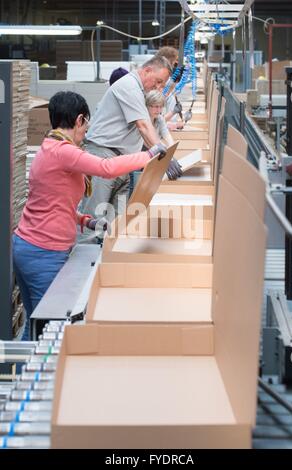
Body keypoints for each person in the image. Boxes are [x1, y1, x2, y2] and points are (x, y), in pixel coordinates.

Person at [13, 91, 163, 340]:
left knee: (35, 324)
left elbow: (52, 203)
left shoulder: (50, 147)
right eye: (86, 124)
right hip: (43, 252)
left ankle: (20, 371)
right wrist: (150, 154)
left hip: (29, 247)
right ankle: (40, 377)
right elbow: (106, 168)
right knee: (49, 327)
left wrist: (86, 220)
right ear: (79, 120)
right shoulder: (63, 151)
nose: (87, 131)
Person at [78, 55, 182, 238]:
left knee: (117, 224)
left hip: (122, 161)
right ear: (147, 70)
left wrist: (172, 83)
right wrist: (164, 157)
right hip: (103, 156)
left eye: (161, 84)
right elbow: (143, 125)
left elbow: (151, 116)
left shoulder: (140, 91)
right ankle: (83, 261)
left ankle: (109, 261)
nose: (158, 87)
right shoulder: (129, 86)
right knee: (93, 220)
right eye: (158, 82)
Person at [155, 46, 184, 129]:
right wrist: (174, 125)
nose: (174, 68)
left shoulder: (167, 83)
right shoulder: (154, 85)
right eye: (173, 64)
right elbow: (151, 123)